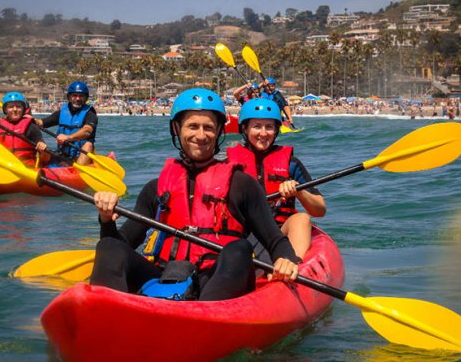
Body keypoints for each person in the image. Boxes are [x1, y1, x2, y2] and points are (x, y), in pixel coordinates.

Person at [90, 88, 299, 301]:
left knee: (240, 249)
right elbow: (120, 246)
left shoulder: (242, 184)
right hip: (168, 276)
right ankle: (104, 311)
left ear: (219, 131)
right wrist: (106, 220)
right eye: (192, 126)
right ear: (176, 128)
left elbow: (275, 241)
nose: (201, 135)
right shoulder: (156, 188)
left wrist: (286, 259)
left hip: (217, 278)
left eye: (208, 127)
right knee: (107, 246)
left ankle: (206, 318)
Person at [226, 98, 326, 259]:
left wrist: (299, 191)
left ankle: (293, 267)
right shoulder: (227, 162)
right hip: (242, 231)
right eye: (257, 126)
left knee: (302, 219)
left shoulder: (291, 164)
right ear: (244, 128)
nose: (263, 133)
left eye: (269, 127)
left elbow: (319, 210)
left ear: (277, 130)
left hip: (279, 230)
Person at [34, 81, 97, 165]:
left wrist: (68, 137)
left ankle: (79, 172)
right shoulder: (62, 113)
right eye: (74, 95)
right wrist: (31, 119)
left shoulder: (90, 114)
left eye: (81, 96)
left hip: (81, 156)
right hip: (62, 154)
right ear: (69, 97)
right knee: (41, 146)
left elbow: (87, 131)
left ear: (86, 98)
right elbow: (41, 123)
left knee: (88, 145)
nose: (78, 99)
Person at [0, 91, 50, 167]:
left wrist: (43, 151)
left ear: (23, 109)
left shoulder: (31, 127)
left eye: (18, 106)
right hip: (3, 168)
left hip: (26, 169)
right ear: (5, 110)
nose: (15, 109)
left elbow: (46, 159)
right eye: (11, 107)